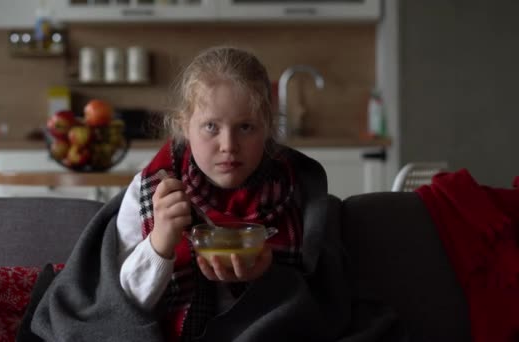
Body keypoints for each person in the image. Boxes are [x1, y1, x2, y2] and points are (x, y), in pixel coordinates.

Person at [27, 46, 402, 342]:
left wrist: (267, 277)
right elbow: (118, 306)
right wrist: (159, 245)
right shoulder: (152, 191)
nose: (228, 145)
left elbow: (318, 304)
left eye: (246, 127)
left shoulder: (295, 191)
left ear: (268, 127)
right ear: (183, 126)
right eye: (210, 127)